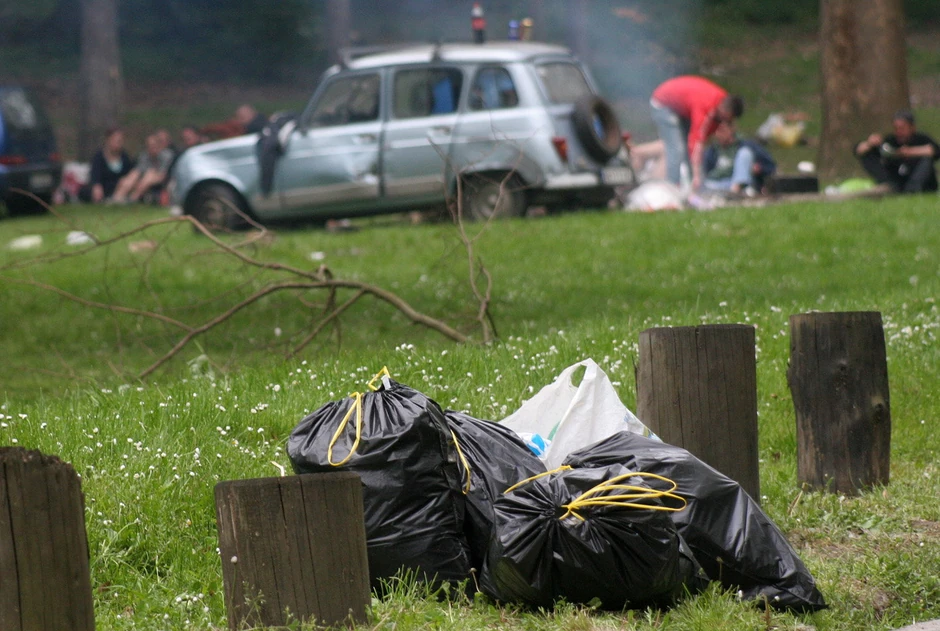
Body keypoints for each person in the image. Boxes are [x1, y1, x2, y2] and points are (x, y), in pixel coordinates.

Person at [649, 75, 744, 191]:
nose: (726, 122)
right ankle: (672, 187)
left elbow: (703, 140)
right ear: (726, 110)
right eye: (727, 118)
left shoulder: (721, 102)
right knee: (677, 148)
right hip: (663, 103)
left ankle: (691, 186)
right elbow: (696, 141)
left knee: (687, 151)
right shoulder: (706, 106)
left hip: (682, 110)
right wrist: (697, 175)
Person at [854, 110, 940, 194]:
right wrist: (870, 143)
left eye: (902, 128)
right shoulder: (891, 140)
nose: (899, 132)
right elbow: (858, 151)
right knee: (868, 154)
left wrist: (908, 152)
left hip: (920, 182)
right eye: (896, 128)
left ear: (912, 128)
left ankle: (912, 190)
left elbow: (934, 150)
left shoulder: (921, 139)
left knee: (926, 159)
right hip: (896, 180)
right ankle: (886, 183)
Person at [702, 120, 776, 195]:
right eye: (715, 131)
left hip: (742, 184)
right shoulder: (712, 151)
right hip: (719, 185)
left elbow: (770, 166)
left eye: (722, 130)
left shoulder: (748, 145)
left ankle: (736, 190)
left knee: (744, 153)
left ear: (731, 129)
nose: (718, 134)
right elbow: (707, 173)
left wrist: (759, 169)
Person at [111, 132, 175, 204]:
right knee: (133, 174)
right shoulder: (144, 156)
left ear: (159, 145)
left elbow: (162, 176)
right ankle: (117, 197)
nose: (151, 148)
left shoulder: (167, 155)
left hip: (163, 181)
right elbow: (138, 171)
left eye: (154, 145)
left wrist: (148, 177)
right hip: (143, 181)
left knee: (149, 174)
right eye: (149, 146)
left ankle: (132, 199)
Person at [78, 127, 135, 203]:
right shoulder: (99, 156)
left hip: (119, 188)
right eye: (116, 140)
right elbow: (95, 174)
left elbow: (129, 173)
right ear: (108, 140)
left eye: (120, 141)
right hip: (102, 187)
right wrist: (96, 185)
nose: (118, 143)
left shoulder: (125, 157)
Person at [201, 104, 268, 140]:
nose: (239, 120)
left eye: (242, 117)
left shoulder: (258, 126)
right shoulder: (236, 127)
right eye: (238, 117)